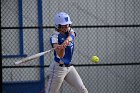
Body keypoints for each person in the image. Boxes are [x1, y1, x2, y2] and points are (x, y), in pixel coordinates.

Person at [45, 12, 88, 93]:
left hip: (69, 67)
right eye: (64, 25)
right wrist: (61, 48)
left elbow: (73, 34)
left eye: (68, 24)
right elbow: (61, 55)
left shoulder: (69, 31)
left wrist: (66, 41)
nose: (66, 26)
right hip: (58, 69)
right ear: (58, 26)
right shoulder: (54, 38)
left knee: (83, 90)